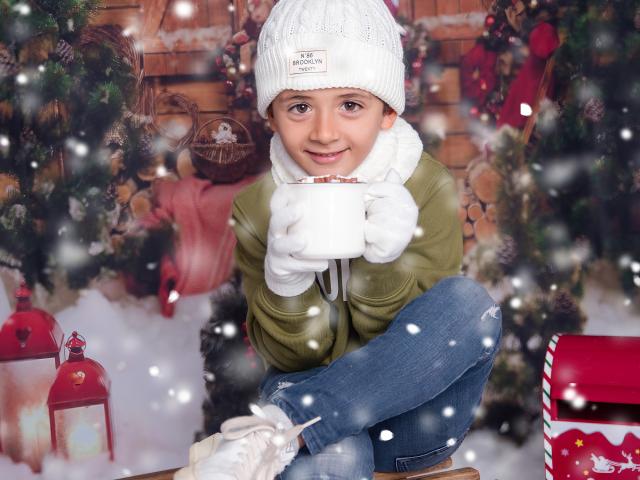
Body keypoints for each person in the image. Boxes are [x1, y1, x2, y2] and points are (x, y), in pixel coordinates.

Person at [174, 0, 502, 479]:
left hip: (408, 425)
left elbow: (423, 350)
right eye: (300, 106)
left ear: (387, 111)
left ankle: (281, 427)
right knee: (338, 454)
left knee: (471, 303)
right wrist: (286, 281)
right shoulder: (257, 208)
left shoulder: (427, 185)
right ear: (271, 114)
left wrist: (383, 264)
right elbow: (293, 357)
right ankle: (296, 428)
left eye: (350, 105)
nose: (325, 133)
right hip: (312, 410)